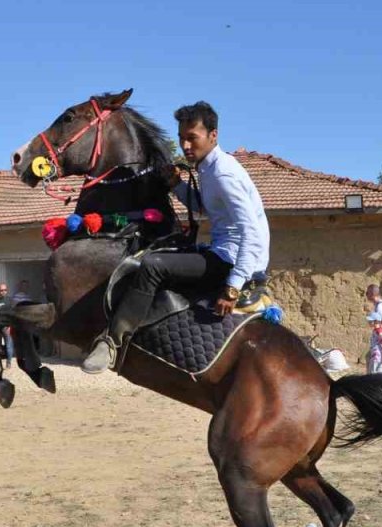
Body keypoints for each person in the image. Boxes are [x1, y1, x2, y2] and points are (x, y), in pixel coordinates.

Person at [82, 101, 270, 373]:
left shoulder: (223, 173)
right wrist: (176, 184)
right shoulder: (207, 168)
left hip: (231, 261)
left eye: (192, 138)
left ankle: (112, 343)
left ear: (213, 135)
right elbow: (204, 207)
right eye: (181, 138)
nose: (185, 146)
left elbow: (251, 231)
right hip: (222, 252)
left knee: (153, 265)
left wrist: (233, 285)